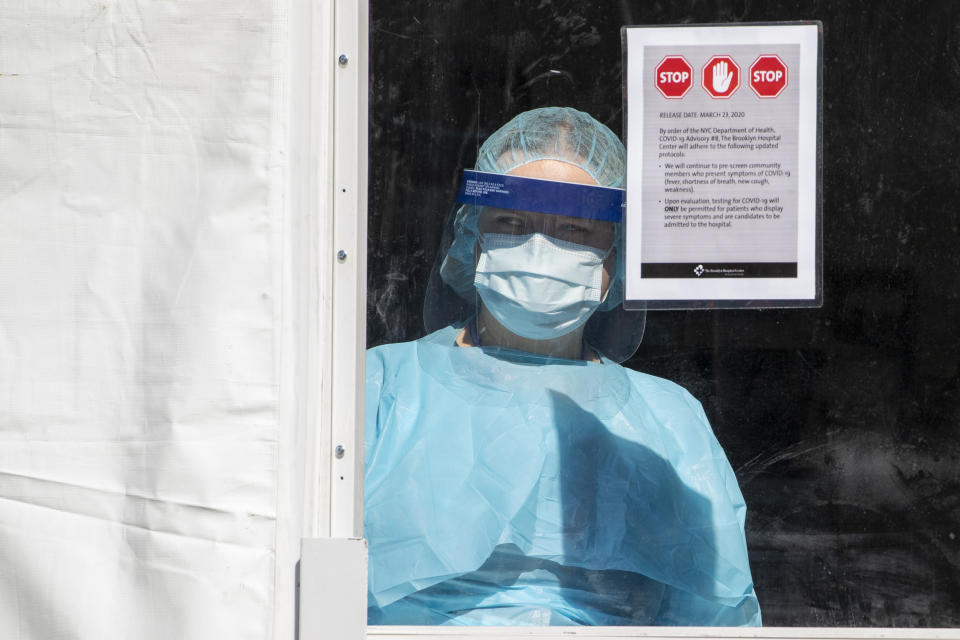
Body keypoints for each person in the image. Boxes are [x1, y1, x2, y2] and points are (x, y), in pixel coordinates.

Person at [364, 107, 761, 626]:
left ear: (614, 262)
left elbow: (715, 617)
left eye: (574, 229)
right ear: (473, 236)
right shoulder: (381, 390)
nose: (540, 247)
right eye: (512, 221)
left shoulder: (667, 421)